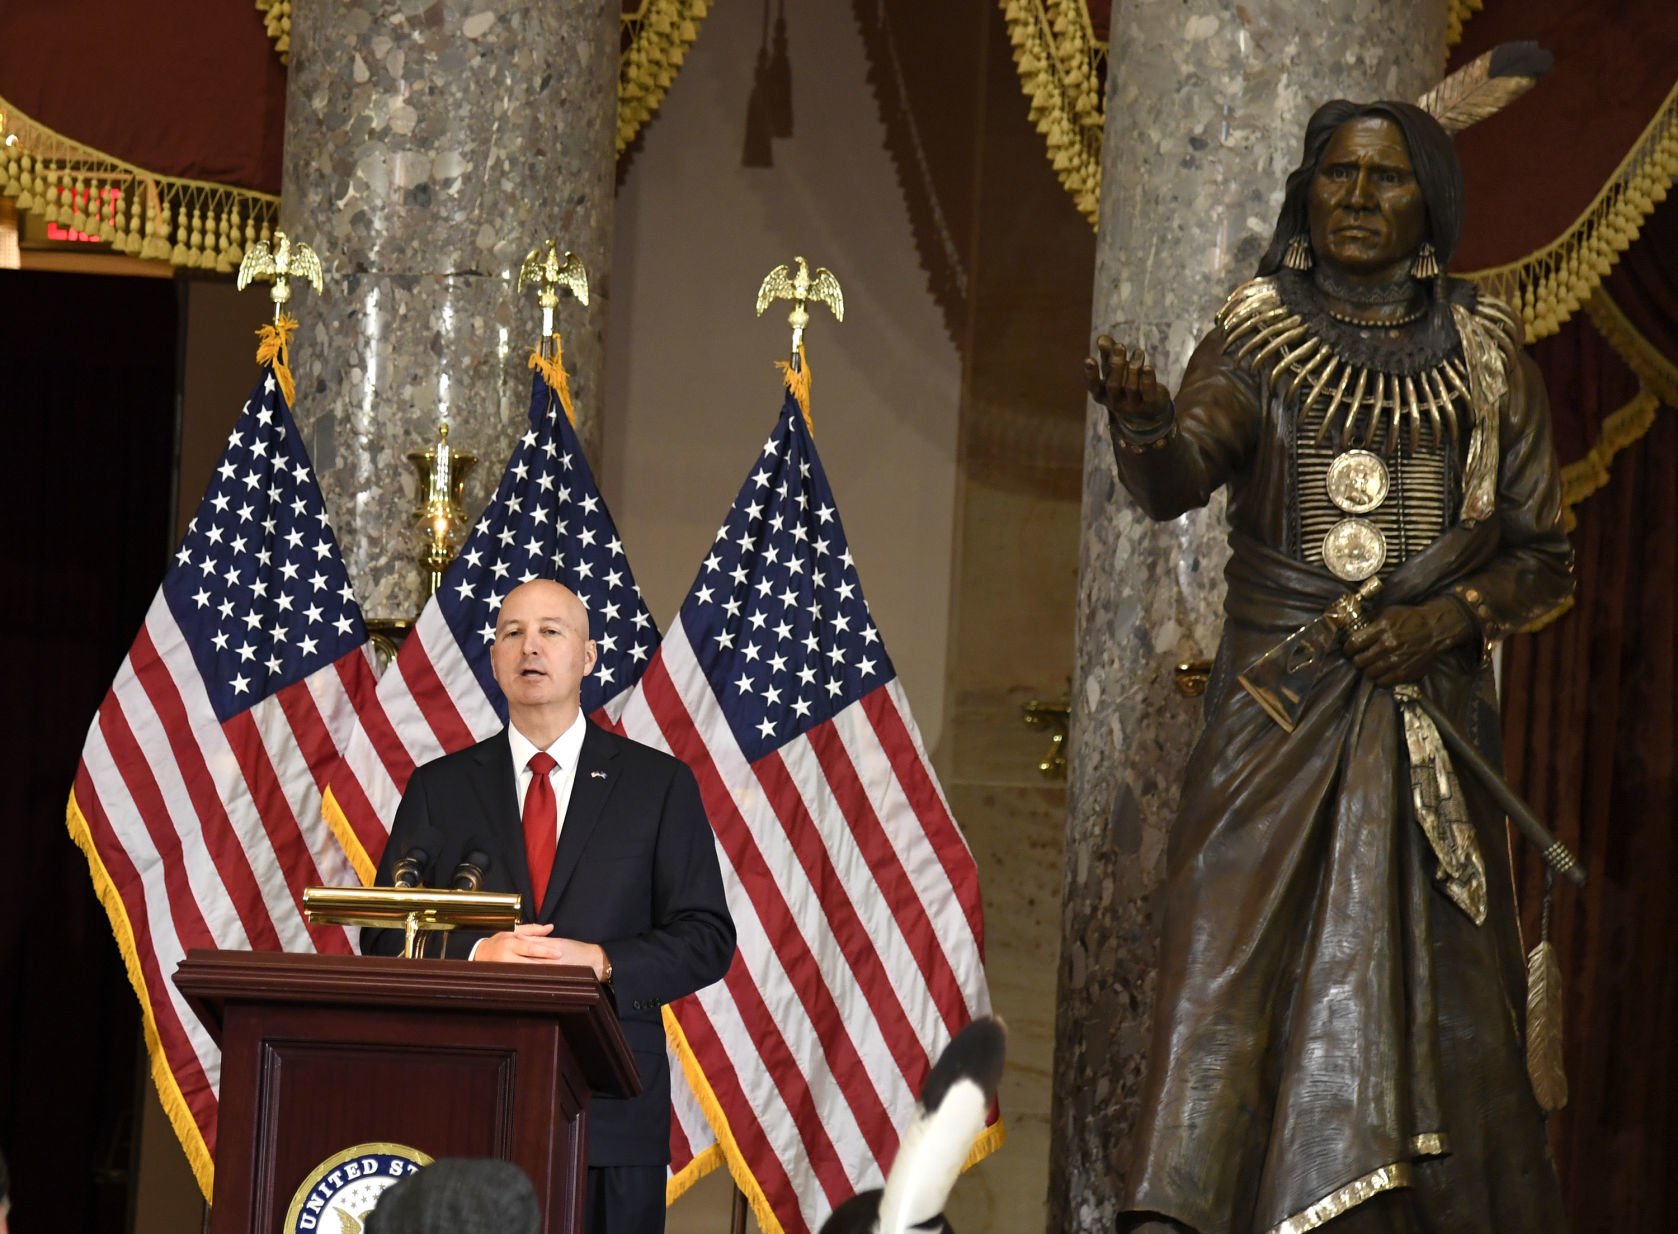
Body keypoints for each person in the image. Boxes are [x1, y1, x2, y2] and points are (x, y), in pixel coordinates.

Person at [1085, 100, 1573, 1234]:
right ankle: (1189, 1210)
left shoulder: (1488, 351)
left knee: (1436, 990)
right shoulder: (1256, 330)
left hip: (1428, 719)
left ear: (1431, 205)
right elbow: (1177, 477)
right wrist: (1149, 427)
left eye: (1386, 180)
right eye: (1337, 177)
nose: (1356, 199)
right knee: (1222, 956)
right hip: (1275, 710)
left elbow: (1543, 562)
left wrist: (1445, 618)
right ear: (1304, 193)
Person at [364, 578, 736, 1234]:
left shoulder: (657, 786)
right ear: (495, 657)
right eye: (512, 633)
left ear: (587, 658)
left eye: (550, 632)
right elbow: (383, 932)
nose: (529, 647)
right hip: (472, 1099)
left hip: (613, 1105)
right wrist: (480, 953)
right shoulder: (440, 788)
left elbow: (705, 936)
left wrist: (601, 960)